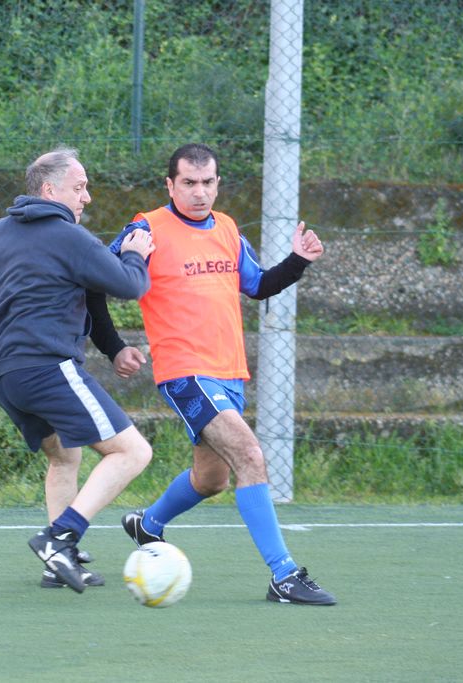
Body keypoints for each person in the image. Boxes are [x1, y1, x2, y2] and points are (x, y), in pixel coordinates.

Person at [88, 143, 337, 605]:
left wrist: (298, 260)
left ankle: (148, 524)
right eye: (189, 183)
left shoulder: (226, 228)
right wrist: (114, 347)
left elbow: (258, 285)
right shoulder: (146, 229)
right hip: (185, 372)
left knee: (211, 479)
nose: (199, 192)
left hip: (229, 372)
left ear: (218, 184)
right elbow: (93, 282)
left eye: (207, 183)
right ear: (170, 185)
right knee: (250, 454)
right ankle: (284, 575)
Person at [0, 147, 156, 593]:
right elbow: (129, 284)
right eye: (79, 188)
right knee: (132, 452)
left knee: (65, 455)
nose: (87, 197)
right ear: (49, 190)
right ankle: (59, 538)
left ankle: (57, 565)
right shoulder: (70, 237)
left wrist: (8, 322)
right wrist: (136, 253)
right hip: (44, 365)